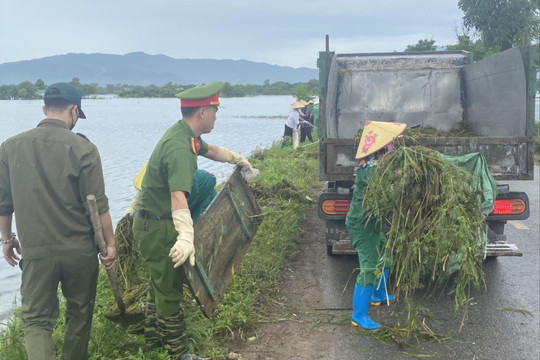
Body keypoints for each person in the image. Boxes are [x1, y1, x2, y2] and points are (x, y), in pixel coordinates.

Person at [132, 81, 258, 359]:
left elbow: (210, 150)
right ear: (202, 112)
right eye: (215, 110)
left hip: (152, 222)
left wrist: (237, 159)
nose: (216, 115)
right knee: (169, 292)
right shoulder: (179, 149)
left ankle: (153, 346)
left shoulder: (186, 135)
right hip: (156, 225)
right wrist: (186, 237)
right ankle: (180, 355)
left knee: (158, 285)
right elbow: (178, 197)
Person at [0, 83, 116, 359]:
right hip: (80, 252)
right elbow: (99, 206)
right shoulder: (84, 149)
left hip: (37, 253)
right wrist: (110, 244)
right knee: (79, 313)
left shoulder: (9, 147)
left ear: (44, 109)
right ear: (74, 110)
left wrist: (7, 239)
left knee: (37, 321)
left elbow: (4, 204)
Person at [345, 120, 406, 330]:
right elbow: (387, 196)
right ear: (380, 149)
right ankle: (358, 316)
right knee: (370, 266)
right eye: (389, 147)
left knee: (385, 255)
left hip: (374, 222)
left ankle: (378, 295)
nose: (392, 150)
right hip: (362, 224)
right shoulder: (370, 171)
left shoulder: (376, 164)